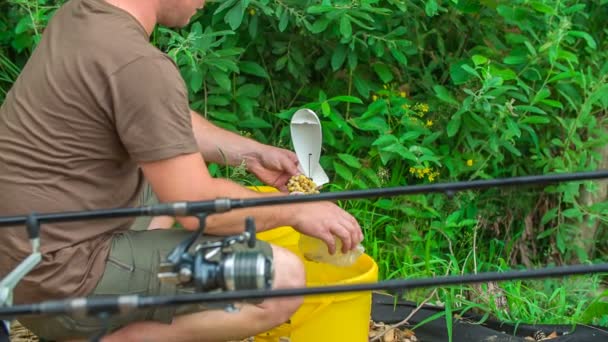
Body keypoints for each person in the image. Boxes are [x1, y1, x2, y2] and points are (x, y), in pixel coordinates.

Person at [0, 0, 363, 341]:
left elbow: (159, 121)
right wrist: (296, 210)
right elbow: (198, 207)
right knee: (282, 279)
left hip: (20, 262)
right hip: (64, 281)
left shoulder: (80, 17)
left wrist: (250, 154)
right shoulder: (138, 64)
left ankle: (130, 299)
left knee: (162, 178)